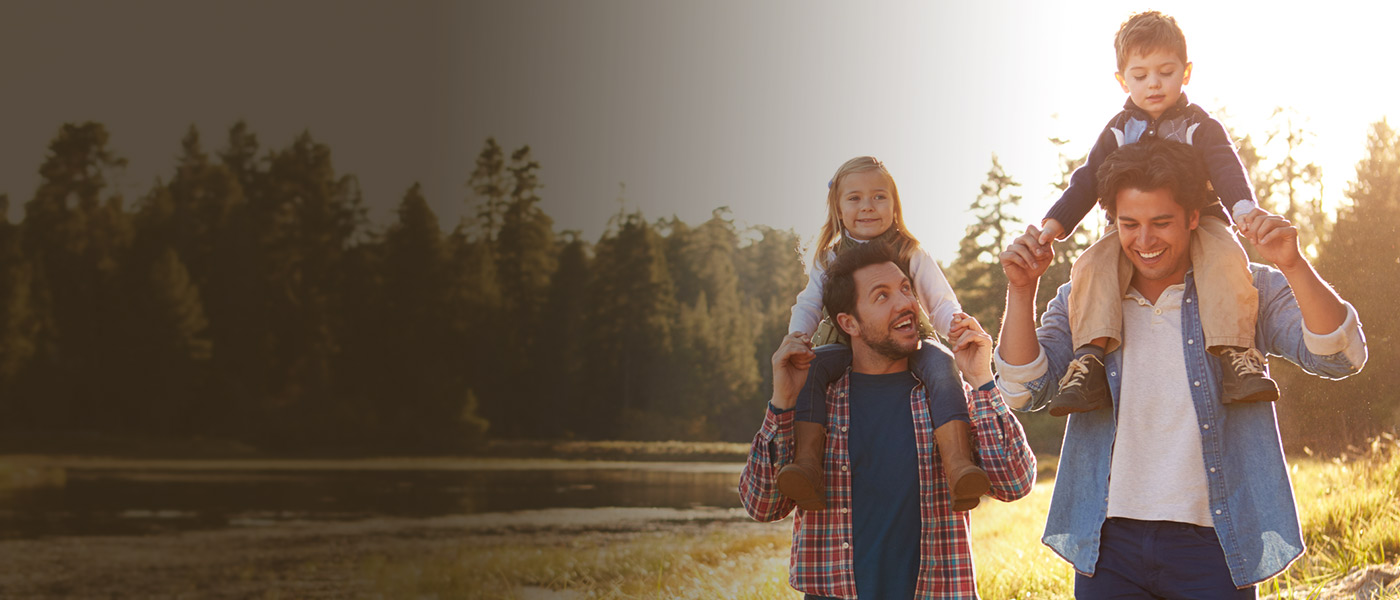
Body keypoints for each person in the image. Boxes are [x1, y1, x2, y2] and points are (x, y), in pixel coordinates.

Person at [995, 139, 1367, 597]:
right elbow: (1024, 390)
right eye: (1129, 224)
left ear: (1193, 217)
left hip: (1215, 542)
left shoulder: (1242, 289)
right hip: (1109, 544)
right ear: (1112, 223)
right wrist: (1021, 290)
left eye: (1162, 222)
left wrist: (1292, 264)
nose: (1145, 240)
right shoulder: (1082, 300)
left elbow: (1339, 356)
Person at [741, 241, 1036, 600]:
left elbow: (1015, 483)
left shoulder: (945, 395)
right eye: (882, 296)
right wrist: (782, 400)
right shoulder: (820, 402)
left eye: (905, 289)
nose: (906, 304)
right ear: (849, 323)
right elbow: (762, 504)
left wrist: (981, 379)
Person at [1036, 10, 1279, 417]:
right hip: (1132, 227)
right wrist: (1054, 224)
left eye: (1165, 72)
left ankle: (1236, 355)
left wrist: (1243, 209)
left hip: (1202, 220)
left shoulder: (1197, 124)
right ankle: (1090, 361)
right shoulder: (1117, 131)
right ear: (1122, 80)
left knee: (1225, 258)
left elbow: (1224, 166)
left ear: (1185, 73)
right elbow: (1087, 179)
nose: (1153, 84)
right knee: (1092, 264)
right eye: (1140, 75)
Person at [780, 156, 983, 512]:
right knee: (812, 371)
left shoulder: (910, 251)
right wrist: (798, 336)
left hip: (906, 343)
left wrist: (956, 325)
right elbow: (810, 303)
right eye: (854, 199)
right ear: (839, 210)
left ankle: (958, 464)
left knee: (942, 366)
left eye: (879, 197)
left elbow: (939, 299)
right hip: (841, 347)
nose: (868, 207)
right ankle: (808, 464)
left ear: (894, 205)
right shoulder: (828, 259)